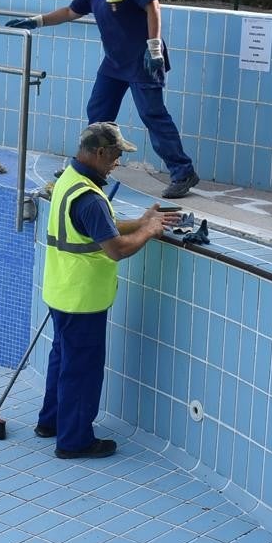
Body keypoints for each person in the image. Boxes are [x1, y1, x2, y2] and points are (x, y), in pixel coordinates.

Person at [7, 0, 200, 199]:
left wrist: (154, 47)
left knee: (153, 116)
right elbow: (72, 11)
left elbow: (152, 6)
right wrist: (37, 21)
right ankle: (87, 168)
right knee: (98, 114)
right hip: (114, 63)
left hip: (142, 60)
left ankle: (183, 172)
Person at [37, 122, 180, 458]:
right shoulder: (89, 198)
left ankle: (51, 422)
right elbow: (115, 248)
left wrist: (145, 221)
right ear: (99, 153)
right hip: (83, 299)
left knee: (62, 361)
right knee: (82, 371)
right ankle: (74, 441)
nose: (117, 163)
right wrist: (149, 234)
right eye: (116, 156)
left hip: (61, 292)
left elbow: (102, 226)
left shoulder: (68, 181)